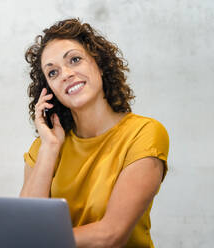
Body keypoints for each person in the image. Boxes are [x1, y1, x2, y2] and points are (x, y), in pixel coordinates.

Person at [20, 18, 169, 248]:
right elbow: (26, 223)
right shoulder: (45, 145)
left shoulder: (143, 133)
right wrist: (49, 148)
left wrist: (38, 239)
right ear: (49, 91)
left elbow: (111, 235)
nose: (66, 74)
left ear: (99, 64)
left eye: (75, 60)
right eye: (53, 73)